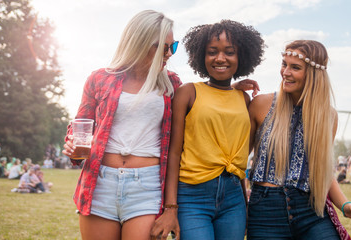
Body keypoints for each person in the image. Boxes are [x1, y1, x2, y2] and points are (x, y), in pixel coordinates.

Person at [62, 10, 182, 240]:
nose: (169, 54)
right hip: (100, 184)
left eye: (172, 46)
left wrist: (229, 88)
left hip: (146, 186)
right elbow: (79, 126)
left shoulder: (172, 84)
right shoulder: (100, 79)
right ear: (139, 42)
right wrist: (73, 148)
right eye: (162, 47)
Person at [151, 20, 264, 240]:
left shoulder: (243, 98)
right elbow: (174, 153)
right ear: (201, 56)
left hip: (234, 198)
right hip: (192, 196)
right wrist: (171, 207)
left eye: (229, 52)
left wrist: (244, 201)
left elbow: (237, 156)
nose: (220, 58)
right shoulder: (188, 92)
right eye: (212, 52)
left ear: (241, 57)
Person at [246, 40, 351, 239]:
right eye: (284, 64)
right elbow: (237, 161)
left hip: (311, 210)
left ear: (314, 75)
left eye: (295, 67)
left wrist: (345, 205)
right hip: (265, 210)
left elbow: (322, 171)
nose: (285, 72)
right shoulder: (261, 104)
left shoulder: (328, 116)